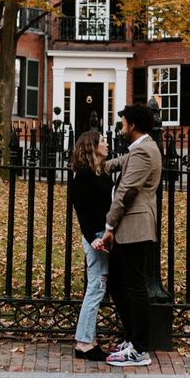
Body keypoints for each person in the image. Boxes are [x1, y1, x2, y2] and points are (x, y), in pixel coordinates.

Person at [94, 103, 162, 367]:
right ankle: (131, 339)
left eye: (122, 122)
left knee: (134, 287)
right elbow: (115, 164)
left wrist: (109, 228)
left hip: (133, 228)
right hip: (129, 229)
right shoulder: (139, 150)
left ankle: (140, 348)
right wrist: (88, 165)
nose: (120, 126)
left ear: (132, 125)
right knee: (119, 284)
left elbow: (126, 192)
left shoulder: (144, 152)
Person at [71, 130, 112, 361]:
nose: (106, 144)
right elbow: (82, 211)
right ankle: (84, 343)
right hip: (95, 237)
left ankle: (89, 339)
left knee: (98, 287)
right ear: (92, 146)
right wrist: (91, 238)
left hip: (103, 235)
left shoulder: (102, 172)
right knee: (96, 288)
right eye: (103, 141)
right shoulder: (84, 176)